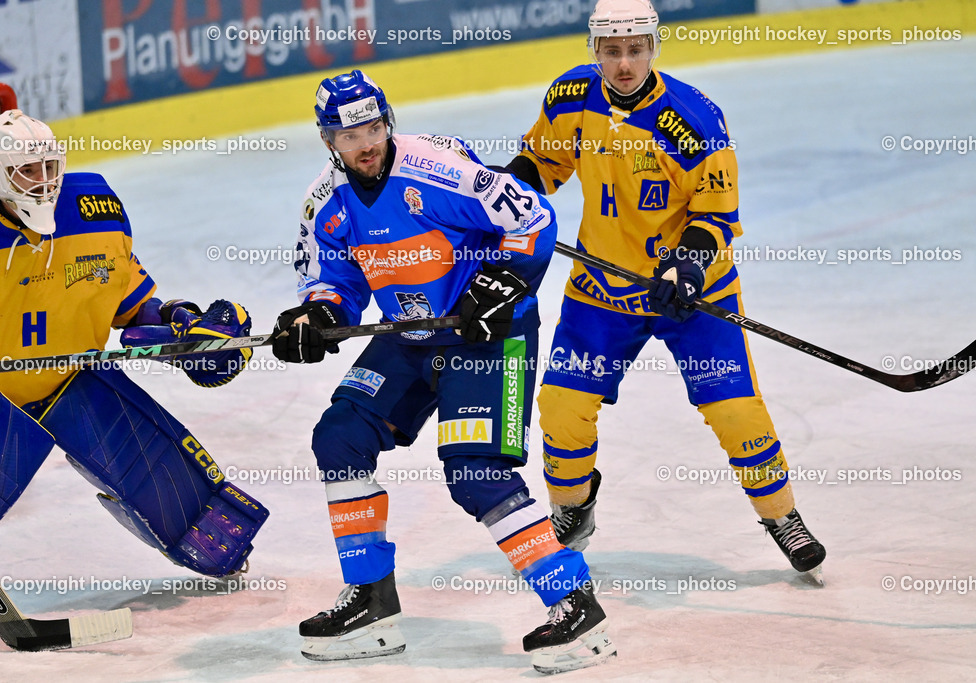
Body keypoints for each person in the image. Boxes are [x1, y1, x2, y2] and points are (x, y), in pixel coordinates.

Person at [272, 70, 615, 673]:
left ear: (388, 123)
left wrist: (502, 281)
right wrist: (317, 315)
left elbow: (531, 218)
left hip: (490, 333)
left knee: (476, 472)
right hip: (411, 336)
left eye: (373, 127)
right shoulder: (323, 203)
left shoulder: (437, 169)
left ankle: (573, 603)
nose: (366, 142)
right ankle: (372, 598)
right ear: (329, 141)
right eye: (350, 135)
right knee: (340, 437)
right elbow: (335, 281)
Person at [496, 0, 826, 580]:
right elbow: (543, 164)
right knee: (561, 407)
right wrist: (496, 198)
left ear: (655, 46)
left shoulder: (694, 117)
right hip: (601, 289)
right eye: (613, 50)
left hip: (693, 297)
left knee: (737, 415)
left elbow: (716, 213)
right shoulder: (570, 97)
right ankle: (572, 506)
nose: (625, 63)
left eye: (637, 49)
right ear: (594, 50)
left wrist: (689, 268)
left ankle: (781, 516)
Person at [0, 109, 268, 578]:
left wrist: (183, 324)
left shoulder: (93, 207)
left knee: (206, 531)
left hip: (70, 383)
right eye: (27, 171)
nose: (43, 182)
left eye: (49, 167)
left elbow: (131, 305)